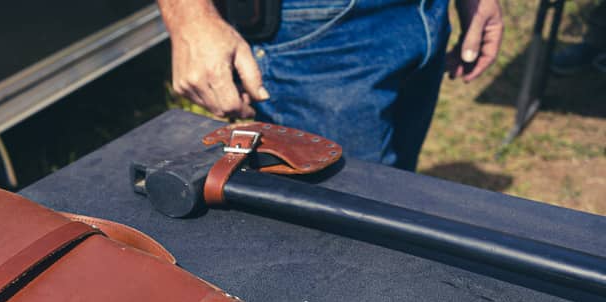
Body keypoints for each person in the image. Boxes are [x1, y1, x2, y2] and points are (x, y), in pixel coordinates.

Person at [156, 0, 503, 170]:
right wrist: (190, 16)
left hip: (428, 12)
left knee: (397, 191)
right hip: (320, 26)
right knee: (337, 242)